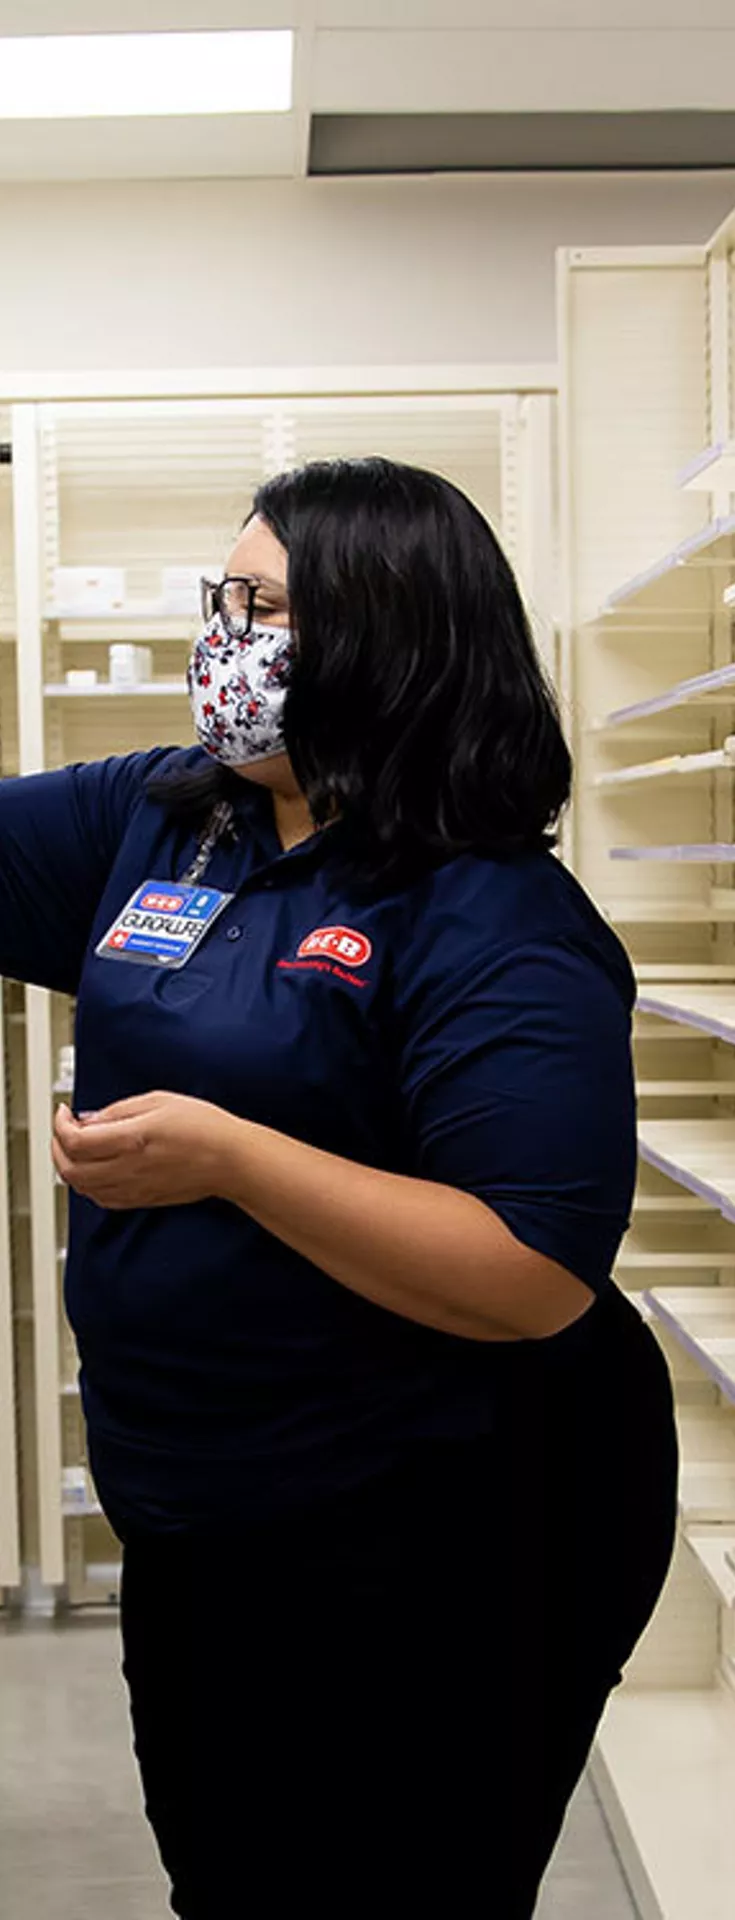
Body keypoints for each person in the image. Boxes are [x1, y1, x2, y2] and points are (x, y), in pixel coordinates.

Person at [1, 457, 677, 1919]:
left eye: (262, 607)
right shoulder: (176, 818)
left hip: (449, 1509)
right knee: (234, 1883)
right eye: (218, 596)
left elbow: (526, 1268)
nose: (220, 635)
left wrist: (233, 1159)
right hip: (204, 1494)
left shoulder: (489, 911)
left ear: (386, 640)